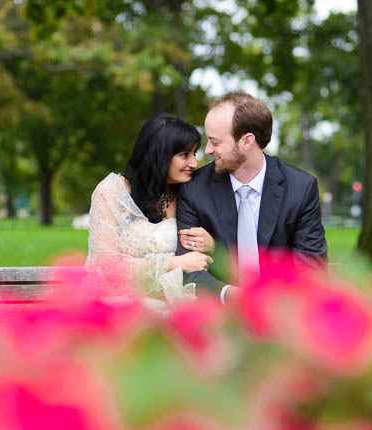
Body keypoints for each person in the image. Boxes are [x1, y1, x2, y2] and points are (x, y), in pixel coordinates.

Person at [175, 91, 328, 303]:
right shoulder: (194, 189)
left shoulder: (300, 188)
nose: (208, 150)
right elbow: (189, 270)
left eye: (215, 142)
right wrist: (231, 296)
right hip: (218, 313)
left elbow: (311, 267)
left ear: (247, 141)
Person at [85, 114, 216, 306]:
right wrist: (174, 264)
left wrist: (212, 245)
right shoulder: (112, 192)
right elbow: (107, 268)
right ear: (159, 154)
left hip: (181, 303)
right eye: (184, 155)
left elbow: (223, 250)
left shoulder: (190, 192)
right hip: (122, 304)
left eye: (194, 154)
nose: (194, 164)